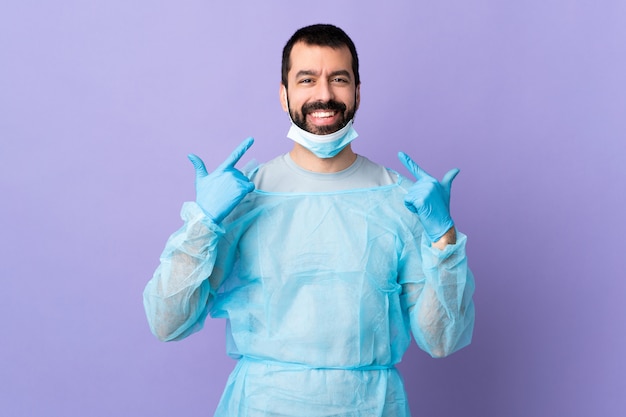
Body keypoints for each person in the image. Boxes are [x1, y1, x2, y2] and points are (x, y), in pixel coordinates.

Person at [143, 23, 475, 417]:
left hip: (369, 406)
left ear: (357, 92)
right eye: (307, 79)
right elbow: (168, 322)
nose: (324, 94)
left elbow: (442, 340)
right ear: (284, 95)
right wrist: (202, 223)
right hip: (263, 406)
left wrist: (443, 238)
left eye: (339, 79)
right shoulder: (243, 198)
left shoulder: (402, 201)